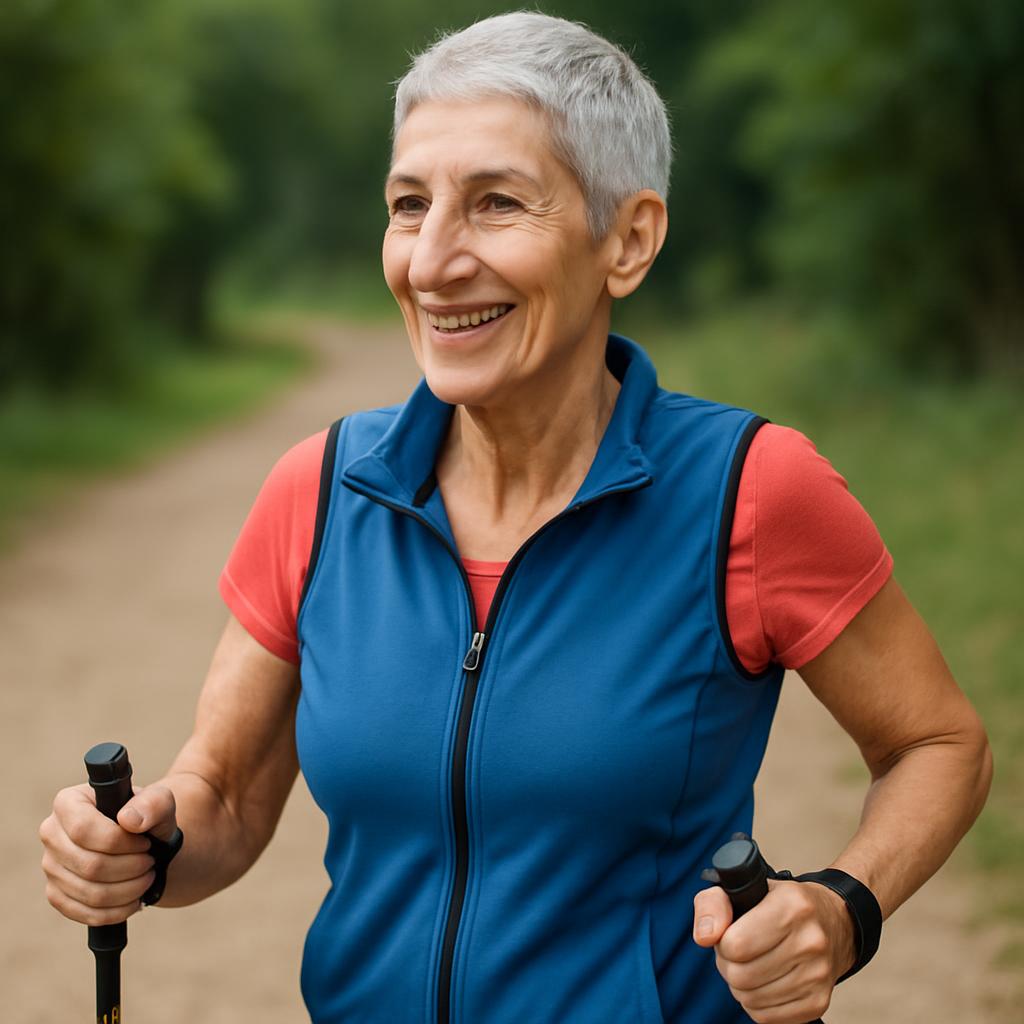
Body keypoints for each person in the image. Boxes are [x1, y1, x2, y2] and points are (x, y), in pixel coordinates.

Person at [39, 12, 992, 1024]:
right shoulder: (319, 489)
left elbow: (938, 743)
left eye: (495, 203)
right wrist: (137, 847)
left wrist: (842, 908)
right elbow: (222, 800)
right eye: (410, 206)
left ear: (627, 239)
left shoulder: (748, 489)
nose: (433, 260)